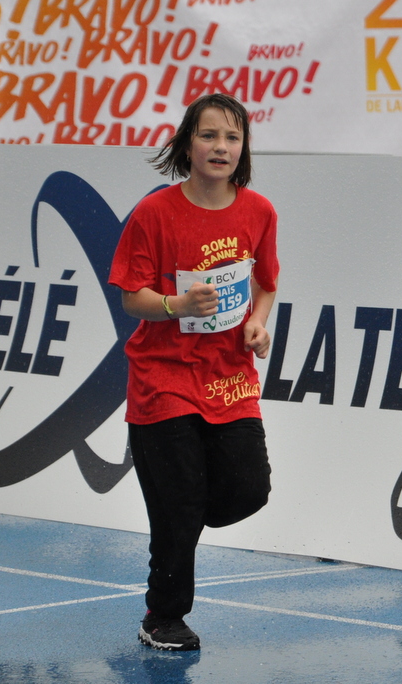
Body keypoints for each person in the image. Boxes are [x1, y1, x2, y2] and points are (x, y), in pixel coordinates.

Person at [108, 93, 279, 652]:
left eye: (232, 137)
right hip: (164, 379)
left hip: (230, 380)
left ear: (243, 148)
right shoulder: (154, 213)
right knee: (179, 505)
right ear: (187, 145)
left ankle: (177, 515)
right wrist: (177, 306)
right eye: (208, 136)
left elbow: (266, 284)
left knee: (249, 490)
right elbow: (131, 296)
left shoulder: (260, 212)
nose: (220, 147)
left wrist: (257, 324)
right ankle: (163, 616)